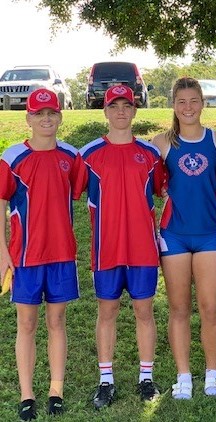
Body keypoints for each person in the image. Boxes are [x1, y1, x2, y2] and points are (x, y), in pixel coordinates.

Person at [151, 77, 216, 400]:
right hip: (174, 234)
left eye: (194, 101)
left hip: (209, 235)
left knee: (211, 308)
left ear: (203, 104)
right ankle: (183, 377)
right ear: (173, 106)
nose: (188, 107)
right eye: (182, 102)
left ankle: (212, 375)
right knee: (178, 309)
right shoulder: (161, 143)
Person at [0, 88, 86, 420]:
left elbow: (79, 192)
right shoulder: (12, 157)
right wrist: (2, 251)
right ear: (28, 119)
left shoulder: (71, 156)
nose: (46, 119)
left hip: (62, 253)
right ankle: (27, 395)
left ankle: (56, 391)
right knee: (26, 323)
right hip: (25, 256)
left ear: (60, 117)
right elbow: (2, 204)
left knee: (57, 321)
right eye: (39, 114)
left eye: (51, 113)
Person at [79, 85, 165, 409]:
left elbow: (160, 191)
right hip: (107, 248)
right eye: (114, 106)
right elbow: (69, 191)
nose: (120, 112)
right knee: (107, 312)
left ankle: (146, 378)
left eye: (126, 106)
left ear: (134, 110)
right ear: (105, 111)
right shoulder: (88, 155)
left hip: (142, 248)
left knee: (144, 311)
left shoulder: (150, 154)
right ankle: (106, 381)